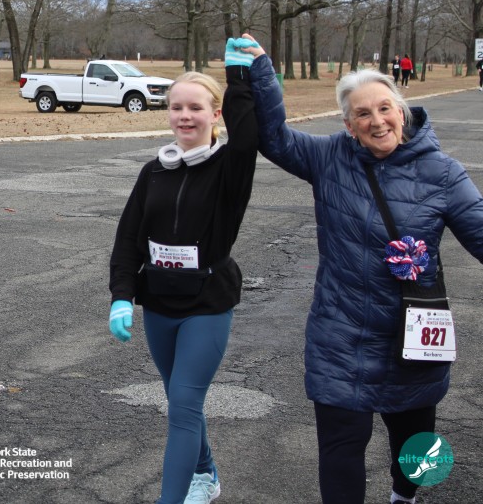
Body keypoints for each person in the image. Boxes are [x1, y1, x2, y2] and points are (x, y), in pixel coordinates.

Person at [246, 36, 483, 504]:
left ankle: (405, 496)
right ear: (348, 125)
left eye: (384, 108)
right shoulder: (328, 157)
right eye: (362, 114)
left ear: (402, 111)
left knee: (419, 450)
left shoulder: (443, 173)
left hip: (413, 337)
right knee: (340, 447)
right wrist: (260, 71)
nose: (377, 121)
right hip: (341, 334)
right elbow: (274, 138)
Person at [109, 37, 259, 504]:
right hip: (159, 304)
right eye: (177, 107)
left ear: (215, 114)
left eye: (196, 107)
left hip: (206, 305)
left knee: (185, 405)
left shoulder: (230, 168)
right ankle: (206, 473)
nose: (185, 116)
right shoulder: (154, 171)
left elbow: (247, 136)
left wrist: (238, 76)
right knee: (179, 399)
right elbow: (128, 239)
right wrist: (121, 295)